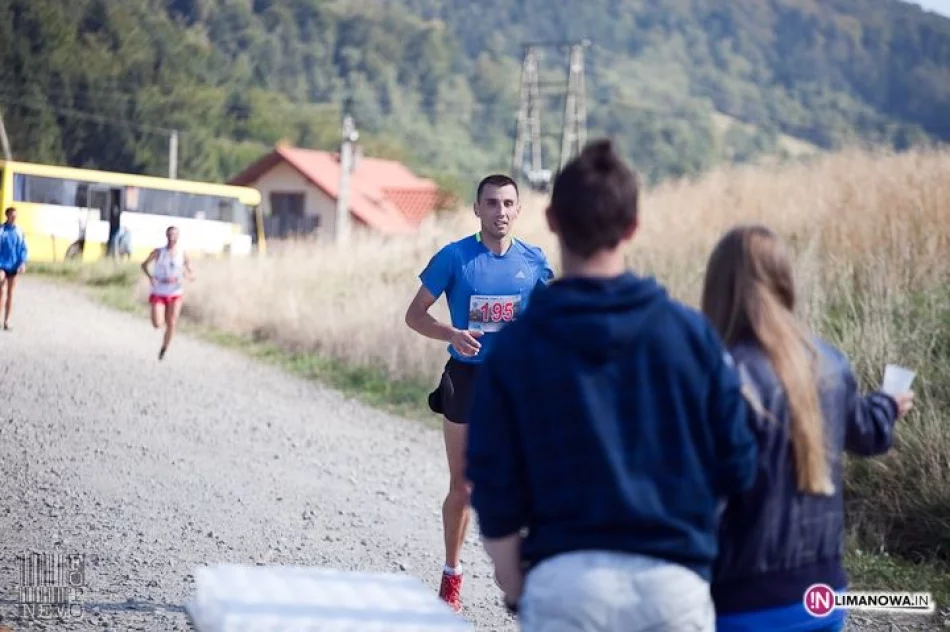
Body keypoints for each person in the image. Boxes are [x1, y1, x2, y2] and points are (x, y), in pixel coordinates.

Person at [464, 139, 759, 631]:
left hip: (565, 586)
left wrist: (515, 585)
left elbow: (492, 485)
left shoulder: (516, 348)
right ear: (633, 226)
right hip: (674, 587)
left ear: (552, 220)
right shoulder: (691, 335)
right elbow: (740, 465)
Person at [700, 224, 915, 632]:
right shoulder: (829, 363)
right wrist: (887, 405)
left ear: (719, 289)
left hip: (743, 600)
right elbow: (867, 433)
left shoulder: (722, 376)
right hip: (823, 596)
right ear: (784, 281)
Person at [404, 173, 554, 613]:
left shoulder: (534, 261)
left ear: (518, 210)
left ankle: (526, 572)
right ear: (477, 209)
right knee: (464, 487)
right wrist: (451, 333)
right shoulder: (455, 257)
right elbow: (415, 315)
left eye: (508, 204)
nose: (500, 212)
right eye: (491, 203)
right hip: (467, 381)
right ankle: (451, 576)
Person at [141, 226, 193, 361]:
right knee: (157, 323)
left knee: (172, 322)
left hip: (175, 291)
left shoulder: (183, 253)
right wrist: (150, 277)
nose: (172, 237)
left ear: (178, 237)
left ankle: (164, 348)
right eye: (170, 235)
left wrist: (187, 275)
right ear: (166, 236)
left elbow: (190, 271)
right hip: (159, 290)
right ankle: (162, 318)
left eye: (174, 235)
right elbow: (144, 265)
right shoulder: (159, 252)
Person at [0, 207, 28, 331]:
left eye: (15, 215)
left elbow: (23, 248)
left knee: (10, 294)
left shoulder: (19, 231)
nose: (14, 217)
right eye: (12, 215)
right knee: (1, 291)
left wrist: (22, 263)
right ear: (7, 215)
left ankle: (6, 321)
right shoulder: (1, 230)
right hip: (1, 265)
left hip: (14, 266)